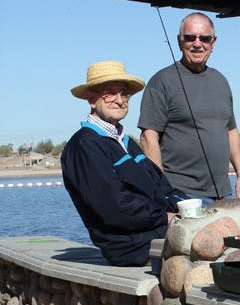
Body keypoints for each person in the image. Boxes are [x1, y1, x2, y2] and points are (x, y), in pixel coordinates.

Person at [61, 61, 188, 266]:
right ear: (92, 100)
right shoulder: (83, 145)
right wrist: (165, 218)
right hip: (132, 247)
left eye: (124, 93)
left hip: (156, 231)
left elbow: (161, 186)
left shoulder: (127, 142)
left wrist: (184, 206)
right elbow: (114, 206)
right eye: (109, 93)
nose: (120, 100)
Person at [138, 12, 240, 203]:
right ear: (179, 41)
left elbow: (231, 131)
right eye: (190, 38)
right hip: (181, 194)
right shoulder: (162, 81)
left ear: (213, 43)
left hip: (222, 193)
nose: (197, 44)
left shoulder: (220, 81)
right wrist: (162, 190)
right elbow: (148, 137)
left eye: (204, 38)